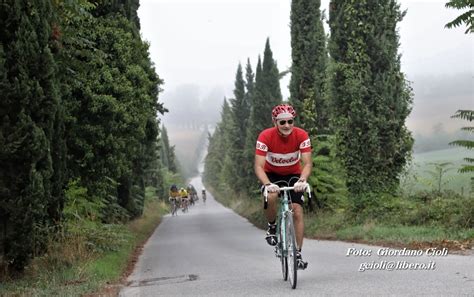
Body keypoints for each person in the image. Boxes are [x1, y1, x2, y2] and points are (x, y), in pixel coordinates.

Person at [254, 104, 312, 270]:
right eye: (282, 122)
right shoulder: (265, 136)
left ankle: (298, 254)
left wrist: (302, 179)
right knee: (271, 196)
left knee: (297, 210)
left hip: (293, 175)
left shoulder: (301, 135)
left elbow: (307, 163)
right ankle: (272, 227)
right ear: (275, 122)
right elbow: (258, 166)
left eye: (290, 121)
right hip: (271, 175)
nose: (287, 125)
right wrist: (267, 184)